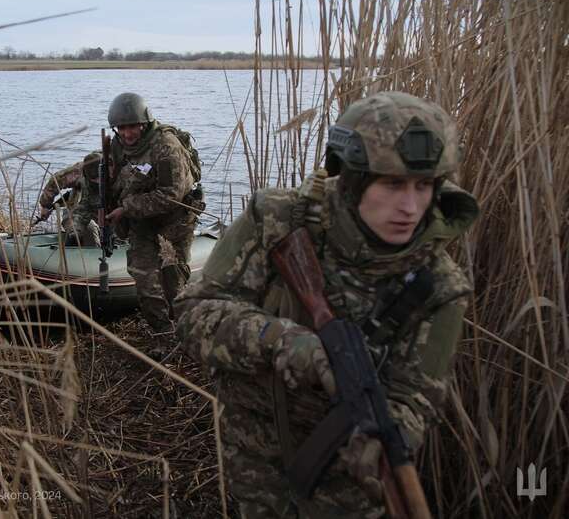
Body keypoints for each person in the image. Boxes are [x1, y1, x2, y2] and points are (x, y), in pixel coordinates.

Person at [175, 92, 479, 517]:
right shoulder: (280, 222)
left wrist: (389, 441)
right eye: (392, 184)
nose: (410, 207)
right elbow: (194, 312)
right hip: (253, 454)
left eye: (423, 186)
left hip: (346, 487)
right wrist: (281, 340)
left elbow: (417, 395)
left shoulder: (440, 287)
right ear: (353, 181)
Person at [104, 92, 201, 336]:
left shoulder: (166, 146)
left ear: (144, 123)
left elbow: (171, 194)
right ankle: (163, 333)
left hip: (175, 221)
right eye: (122, 128)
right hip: (141, 223)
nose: (127, 134)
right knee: (143, 280)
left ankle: (187, 331)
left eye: (133, 127)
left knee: (173, 281)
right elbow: (115, 180)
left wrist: (126, 208)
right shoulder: (117, 146)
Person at [36, 151, 102, 247]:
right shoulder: (81, 169)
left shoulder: (119, 167)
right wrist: (46, 205)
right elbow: (57, 180)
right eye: (94, 180)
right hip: (77, 213)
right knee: (88, 229)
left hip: (106, 214)